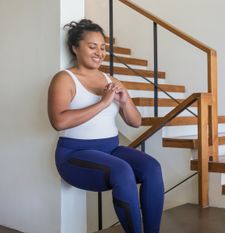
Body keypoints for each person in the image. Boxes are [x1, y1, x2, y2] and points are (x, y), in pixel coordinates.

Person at [47, 19, 164, 233]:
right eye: (92, 47)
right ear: (75, 47)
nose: (99, 52)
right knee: (122, 170)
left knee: (152, 167)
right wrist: (103, 103)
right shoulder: (65, 78)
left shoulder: (109, 79)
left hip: (111, 149)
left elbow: (135, 122)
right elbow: (59, 121)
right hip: (74, 154)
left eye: (103, 47)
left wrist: (125, 98)